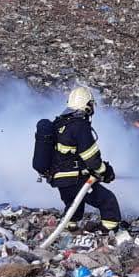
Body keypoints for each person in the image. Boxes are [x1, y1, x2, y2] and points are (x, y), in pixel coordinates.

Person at [48, 86, 122, 231]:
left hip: (60, 179)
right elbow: (91, 158)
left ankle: (70, 230)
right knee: (107, 201)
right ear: (87, 105)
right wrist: (105, 171)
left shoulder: (58, 124)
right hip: (75, 178)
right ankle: (107, 232)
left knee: (74, 205)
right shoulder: (80, 125)